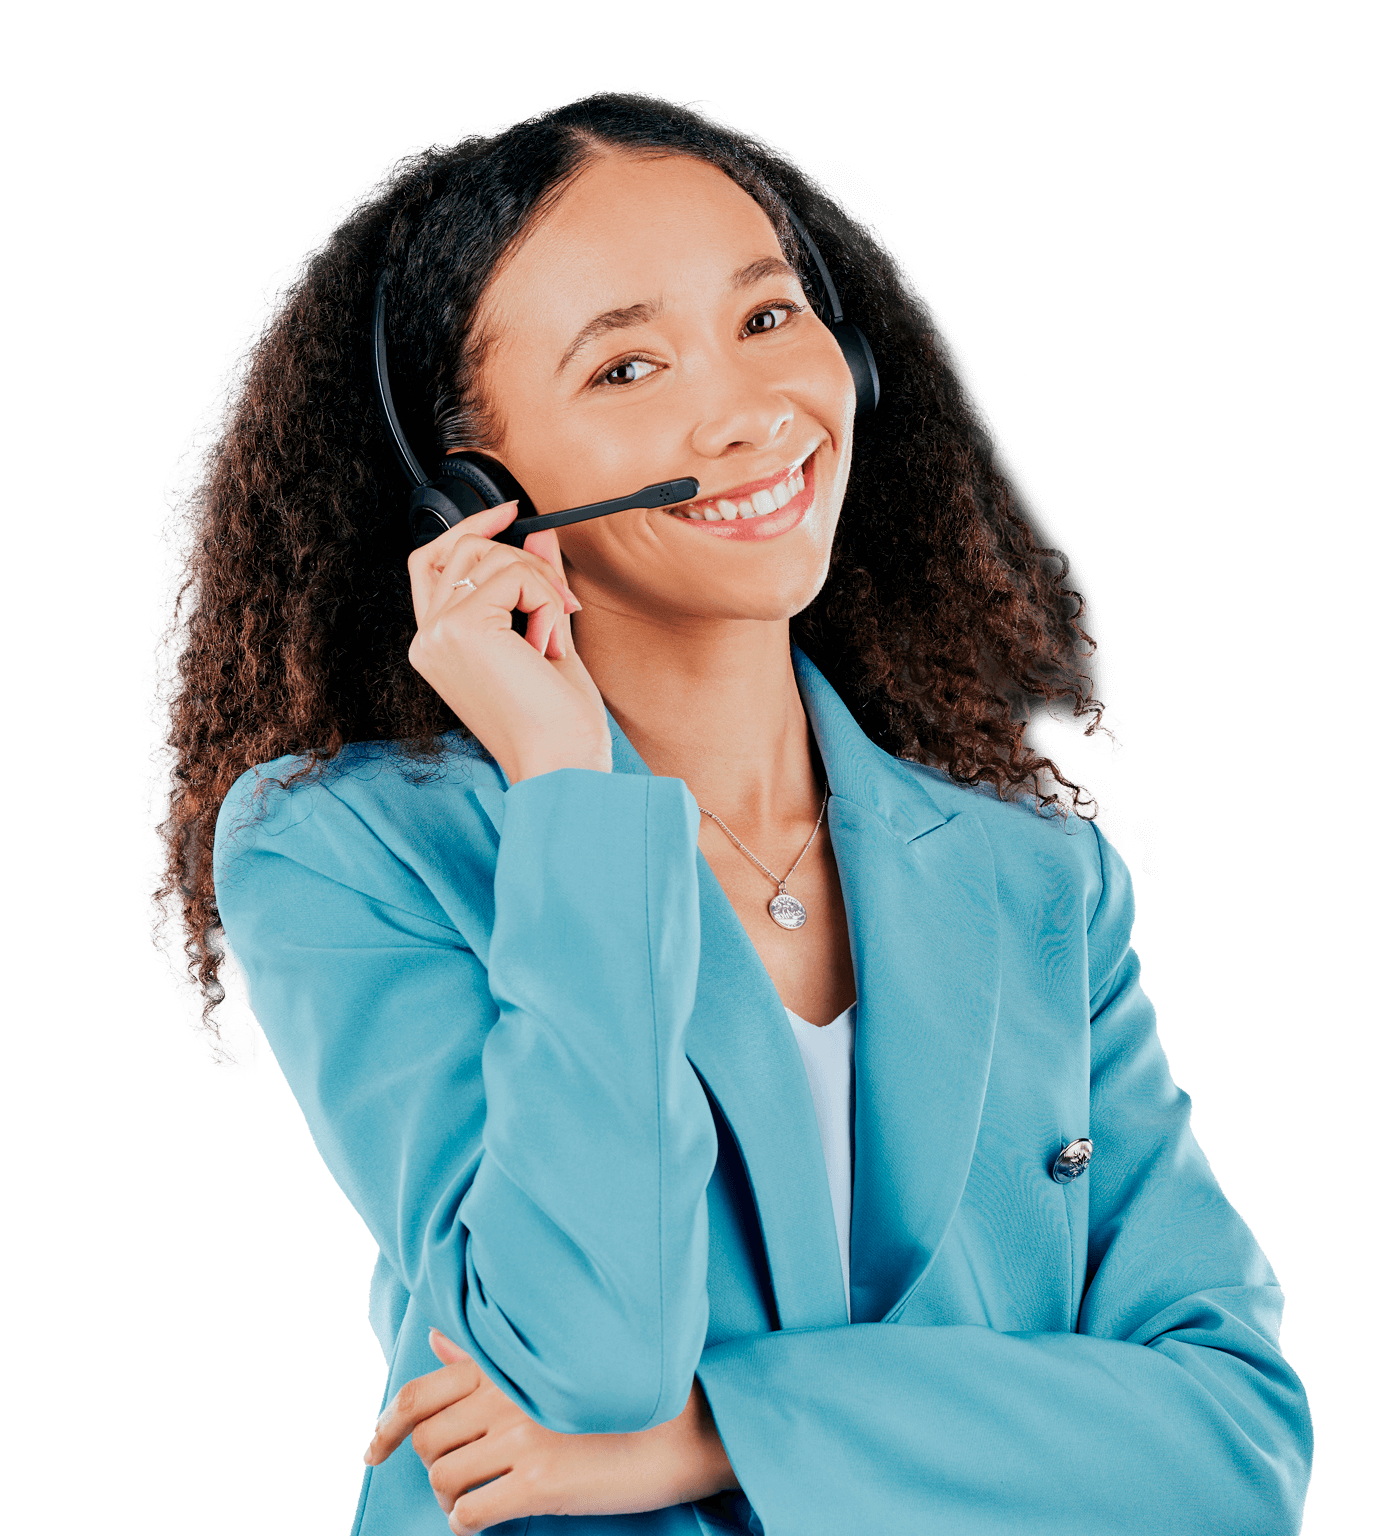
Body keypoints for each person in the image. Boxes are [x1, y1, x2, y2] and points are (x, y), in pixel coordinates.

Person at [142, 87, 1313, 1535]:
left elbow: (1236, 1447)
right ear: (469, 491)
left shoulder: (1034, 872)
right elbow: (574, 1368)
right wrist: (569, 795)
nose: (749, 408)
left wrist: (720, 1437)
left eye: (767, 318)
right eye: (625, 366)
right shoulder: (347, 848)